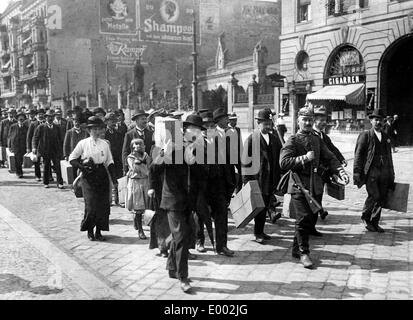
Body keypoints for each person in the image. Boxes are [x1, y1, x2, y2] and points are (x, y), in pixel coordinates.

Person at [280, 106, 349, 268]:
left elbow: (330, 157)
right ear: (298, 121)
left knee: (309, 219)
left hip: (315, 185)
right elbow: (283, 163)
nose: (308, 122)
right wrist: (304, 158)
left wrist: (340, 171)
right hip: (299, 185)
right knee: (303, 218)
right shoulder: (293, 140)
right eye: (305, 119)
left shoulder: (317, 139)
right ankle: (304, 253)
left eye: (310, 119)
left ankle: (296, 249)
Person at [148, 113, 206, 293]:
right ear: (184, 130)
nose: (195, 133)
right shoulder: (172, 146)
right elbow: (154, 169)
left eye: (198, 131)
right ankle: (183, 277)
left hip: (189, 199)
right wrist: (166, 151)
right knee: (180, 236)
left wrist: (194, 161)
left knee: (183, 235)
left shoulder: (198, 148)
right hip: (172, 199)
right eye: (192, 130)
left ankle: (172, 267)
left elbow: (203, 175)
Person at [69, 116, 118, 241]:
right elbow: (72, 158)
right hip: (88, 176)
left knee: (102, 205)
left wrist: (114, 178)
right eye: (93, 129)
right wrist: (82, 168)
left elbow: (109, 161)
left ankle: (99, 231)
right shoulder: (83, 143)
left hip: (101, 174)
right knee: (91, 204)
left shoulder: (105, 144)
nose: (96, 131)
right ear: (89, 130)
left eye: (98, 129)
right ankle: (90, 230)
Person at [242, 108, 282, 244]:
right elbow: (245, 162)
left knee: (265, 206)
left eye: (269, 123)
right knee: (258, 207)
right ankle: (257, 233)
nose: (268, 126)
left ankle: (261, 231)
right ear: (258, 123)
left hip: (270, 180)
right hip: (257, 179)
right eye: (265, 124)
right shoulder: (252, 139)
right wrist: (246, 182)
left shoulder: (274, 139)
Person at [353, 109, 395, 233]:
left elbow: (389, 156)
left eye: (381, 120)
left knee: (381, 196)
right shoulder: (365, 135)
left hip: (384, 172)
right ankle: (366, 218)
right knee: (374, 195)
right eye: (376, 120)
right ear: (371, 121)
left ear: (384, 122)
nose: (378, 122)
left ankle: (375, 222)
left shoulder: (386, 136)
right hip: (371, 172)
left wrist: (392, 173)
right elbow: (358, 155)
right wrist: (356, 172)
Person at [312, 106, 347, 223]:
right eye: (320, 120)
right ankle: (318, 211)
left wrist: (341, 159)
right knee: (315, 192)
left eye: (324, 120)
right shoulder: (311, 134)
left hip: (323, 170)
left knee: (320, 191)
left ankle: (319, 209)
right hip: (313, 170)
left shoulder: (323, 136)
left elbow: (332, 149)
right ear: (314, 120)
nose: (323, 123)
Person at [212, 108, 236, 256]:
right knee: (211, 214)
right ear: (218, 120)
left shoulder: (231, 134)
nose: (228, 120)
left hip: (227, 181)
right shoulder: (211, 135)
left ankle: (222, 245)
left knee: (222, 215)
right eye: (225, 118)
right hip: (213, 182)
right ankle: (199, 241)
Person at [32, 110, 64, 189]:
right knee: (46, 167)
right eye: (49, 117)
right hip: (45, 150)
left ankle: (60, 183)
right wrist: (34, 147)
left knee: (57, 167)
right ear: (46, 118)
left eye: (52, 117)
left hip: (55, 150)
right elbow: (35, 138)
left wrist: (61, 150)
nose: (50, 118)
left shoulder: (57, 127)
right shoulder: (41, 127)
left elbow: (61, 139)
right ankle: (46, 182)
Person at [126, 138, 151, 239]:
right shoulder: (130, 157)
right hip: (136, 182)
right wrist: (142, 165)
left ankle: (146, 223)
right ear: (132, 147)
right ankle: (140, 230)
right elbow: (136, 168)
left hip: (146, 181)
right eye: (136, 144)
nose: (139, 146)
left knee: (148, 205)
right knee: (138, 206)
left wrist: (140, 163)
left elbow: (149, 169)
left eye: (141, 144)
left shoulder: (146, 155)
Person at [122, 110, 154, 174]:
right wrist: (125, 168)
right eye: (142, 119)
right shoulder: (129, 135)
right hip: (135, 168)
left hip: (148, 167)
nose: (145, 121)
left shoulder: (151, 133)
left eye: (145, 119)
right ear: (136, 120)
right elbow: (125, 152)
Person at [104, 112, 124, 205]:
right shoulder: (103, 134)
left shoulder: (119, 133)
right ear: (107, 122)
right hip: (108, 160)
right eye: (112, 121)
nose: (114, 123)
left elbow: (122, 148)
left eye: (115, 121)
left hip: (118, 160)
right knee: (108, 179)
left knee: (118, 179)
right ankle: (108, 199)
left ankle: (117, 199)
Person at [8, 111, 29, 178]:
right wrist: (9, 146)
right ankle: (19, 173)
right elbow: (9, 137)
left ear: (24, 120)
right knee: (17, 159)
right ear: (17, 120)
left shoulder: (26, 127)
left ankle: (20, 170)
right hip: (15, 146)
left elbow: (28, 137)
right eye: (19, 119)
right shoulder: (13, 127)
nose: (21, 120)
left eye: (22, 119)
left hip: (23, 146)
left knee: (21, 160)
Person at [27, 109, 45, 181]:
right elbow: (29, 136)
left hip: (45, 145)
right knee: (36, 161)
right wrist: (29, 147)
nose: (40, 116)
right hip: (36, 145)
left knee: (47, 161)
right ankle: (38, 176)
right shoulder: (33, 124)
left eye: (42, 114)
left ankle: (49, 176)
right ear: (36, 116)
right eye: (39, 114)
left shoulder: (46, 123)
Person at [227, 112, 243, 193]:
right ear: (229, 121)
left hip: (237, 155)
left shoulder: (238, 129)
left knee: (241, 172)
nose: (234, 122)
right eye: (232, 120)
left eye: (235, 120)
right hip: (229, 156)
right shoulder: (225, 130)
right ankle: (230, 190)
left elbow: (240, 142)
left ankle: (238, 190)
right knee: (230, 173)